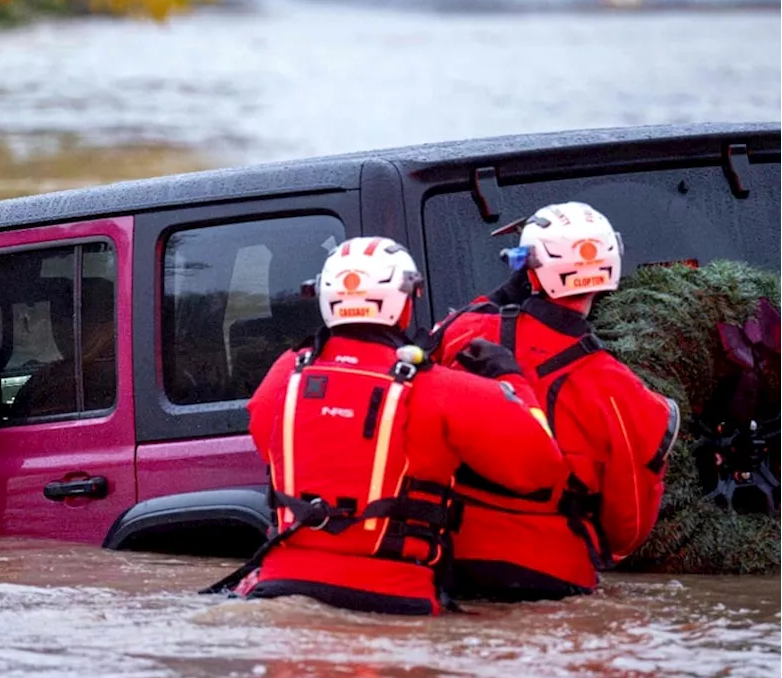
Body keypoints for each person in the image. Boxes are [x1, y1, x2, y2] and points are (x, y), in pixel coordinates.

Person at [213, 236, 565, 615]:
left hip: (280, 588)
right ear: (405, 305)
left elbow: (268, 438)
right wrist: (511, 381)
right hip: (396, 600)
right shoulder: (442, 389)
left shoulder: (284, 374)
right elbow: (542, 470)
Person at [431, 202, 679, 601]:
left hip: (450, 567)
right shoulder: (622, 392)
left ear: (525, 268)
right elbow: (627, 530)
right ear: (611, 268)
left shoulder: (464, 334)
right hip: (554, 580)